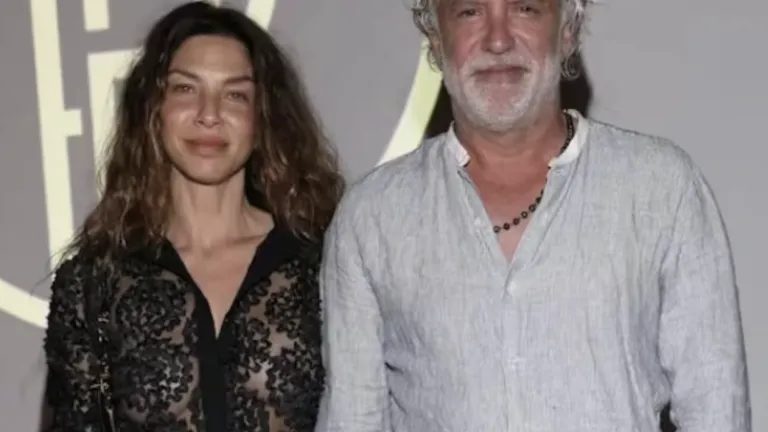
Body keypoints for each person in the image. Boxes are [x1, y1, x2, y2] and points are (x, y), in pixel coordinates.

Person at [315, 0, 751, 431]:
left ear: (568, 30)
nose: (498, 40)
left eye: (525, 9)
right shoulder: (371, 218)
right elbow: (352, 418)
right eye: (470, 12)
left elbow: (717, 411)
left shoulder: (662, 189)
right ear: (435, 36)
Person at [41, 2, 344, 431]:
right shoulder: (92, 284)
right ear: (154, 110)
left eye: (235, 94)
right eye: (185, 88)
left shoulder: (325, 266)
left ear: (262, 118)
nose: (209, 114)